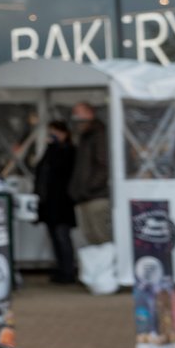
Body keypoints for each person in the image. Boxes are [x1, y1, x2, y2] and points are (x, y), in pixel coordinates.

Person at [32, 120, 77, 283]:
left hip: (62, 202)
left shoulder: (69, 151)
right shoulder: (50, 151)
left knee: (62, 236)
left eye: (56, 132)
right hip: (49, 202)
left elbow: (62, 171)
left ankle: (68, 270)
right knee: (54, 236)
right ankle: (61, 268)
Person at [68, 101, 112, 245]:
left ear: (89, 113)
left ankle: (106, 267)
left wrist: (89, 187)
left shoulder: (99, 134)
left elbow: (104, 165)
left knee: (100, 237)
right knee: (90, 237)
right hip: (85, 197)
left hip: (96, 196)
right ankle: (98, 267)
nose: (75, 117)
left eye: (78, 113)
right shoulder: (85, 136)